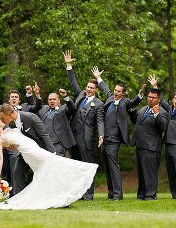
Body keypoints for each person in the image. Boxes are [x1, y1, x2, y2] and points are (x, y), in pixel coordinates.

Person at [92, 67, 146, 201]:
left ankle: (118, 195)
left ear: (123, 93)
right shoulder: (110, 98)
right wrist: (98, 78)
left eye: (118, 91)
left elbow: (134, 102)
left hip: (114, 139)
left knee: (114, 166)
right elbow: (105, 88)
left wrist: (139, 95)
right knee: (107, 166)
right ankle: (111, 193)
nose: (115, 93)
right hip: (104, 138)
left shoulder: (125, 102)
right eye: (115, 90)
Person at [63, 50, 103, 200]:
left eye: (91, 88)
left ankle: (88, 194)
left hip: (86, 138)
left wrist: (101, 134)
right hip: (73, 135)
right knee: (76, 166)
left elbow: (100, 121)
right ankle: (77, 193)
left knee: (87, 165)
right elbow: (73, 83)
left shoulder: (99, 104)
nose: (88, 89)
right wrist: (69, 66)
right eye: (87, 87)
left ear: (96, 90)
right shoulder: (81, 95)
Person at [0, 96, 55, 195]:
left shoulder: (30, 117)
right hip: (25, 152)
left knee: (49, 174)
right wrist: (12, 146)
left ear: (9, 115)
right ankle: (18, 197)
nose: (1, 121)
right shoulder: (11, 124)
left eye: (2, 118)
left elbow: (44, 135)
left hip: (41, 151)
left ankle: (55, 196)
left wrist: (53, 153)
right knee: (17, 171)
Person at [0, 81, 41, 183]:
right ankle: (9, 190)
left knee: (20, 170)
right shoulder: (3, 110)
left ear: (19, 100)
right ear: (9, 100)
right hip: (7, 146)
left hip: (23, 144)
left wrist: (31, 95)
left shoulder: (26, 108)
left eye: (16, 97)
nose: (14, 98)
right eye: (12, 97)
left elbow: (36, 107)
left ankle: (20, 190)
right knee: (8, 169)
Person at [129, 87, 168, 200]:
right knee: (141, 172)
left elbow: (163, 127)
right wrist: (132, 110)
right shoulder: (143, 109)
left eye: (153, 97)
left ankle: (150, 195)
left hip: (151, 147)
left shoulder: (162, 112)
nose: (150, 99)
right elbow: (135, 121)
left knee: (150, 173)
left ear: (159, 99)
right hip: (140, 144)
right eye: (149, 97)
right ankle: (141, 194)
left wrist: (157, 115)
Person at [29, 89, 76, 157]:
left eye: (54, 99)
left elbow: (73, 109)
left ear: (59, 101)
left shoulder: (63, 109)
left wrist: (65, 96)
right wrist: (37, 95)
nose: (52, 101)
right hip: (44, 144)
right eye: (50, 100)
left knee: (56, 165)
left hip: (58, 145)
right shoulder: (44, 108)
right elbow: (34, 108)